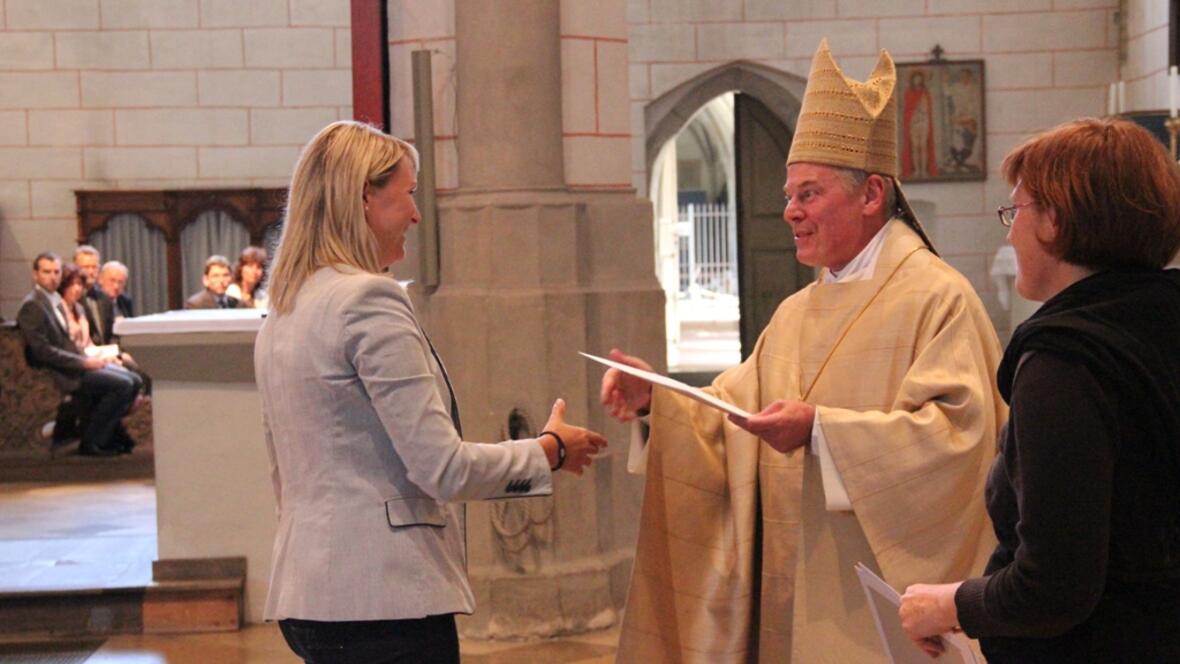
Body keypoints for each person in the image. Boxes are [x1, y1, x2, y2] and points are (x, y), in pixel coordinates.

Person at [603, 39, 1005, 663]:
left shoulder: (938, 298)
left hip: (879, 606)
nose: (789, 211)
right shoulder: (796, 311)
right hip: (791, 593)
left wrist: (821, 432)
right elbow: (730, 420)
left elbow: (960, 440)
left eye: (808, 194)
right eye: (790, 195)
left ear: (872, 194)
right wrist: (657, 398)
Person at [254, 120, 609, 664]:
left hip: (309, 592)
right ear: (365, 196)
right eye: (409, 194)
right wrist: (548, 452)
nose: (417, 215)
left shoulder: (285, 308)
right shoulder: (367, 299)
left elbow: (284, 472)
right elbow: (441, 467)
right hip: (382, 597)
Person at [898, 118, 1180, 662]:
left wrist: (953, 604)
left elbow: (1055, 585)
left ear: (1055, 218)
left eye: (1016, 210)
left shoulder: (1065, 363)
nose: (1010, 231)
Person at [17, 253, 141, 456]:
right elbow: (43, 351)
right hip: (61, 372)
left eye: (56, 272)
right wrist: (83, 362)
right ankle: (92, 441)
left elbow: (67, 342)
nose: (53, 277)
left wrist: (92, 358)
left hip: (75, 363)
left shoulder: (53, 301)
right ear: (35, 275)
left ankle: (109, 436)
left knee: (134, 379)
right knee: (124, 385)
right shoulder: (33, 305)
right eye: (46, 272)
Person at [74, 245, 115, 345]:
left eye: (94, 267)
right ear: (75, 268)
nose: (91, 272)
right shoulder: (71, 298)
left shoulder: (105, 298)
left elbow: (112, 332)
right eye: (86, 267)